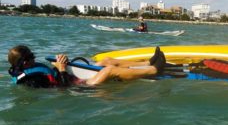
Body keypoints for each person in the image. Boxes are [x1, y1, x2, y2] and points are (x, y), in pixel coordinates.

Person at [8, 45, 165, 87]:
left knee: (106, 61)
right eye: (30, 56)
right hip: (80, 87)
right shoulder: (30, 79)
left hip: (71, 79)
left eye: (32, 54)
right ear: (23, 62)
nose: (34, 57)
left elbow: (52, 77)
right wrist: (62, 70)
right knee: (108, 70)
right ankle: (155, 70)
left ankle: (147, 63)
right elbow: (61, 90)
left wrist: (61, 65)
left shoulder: (31, 69)